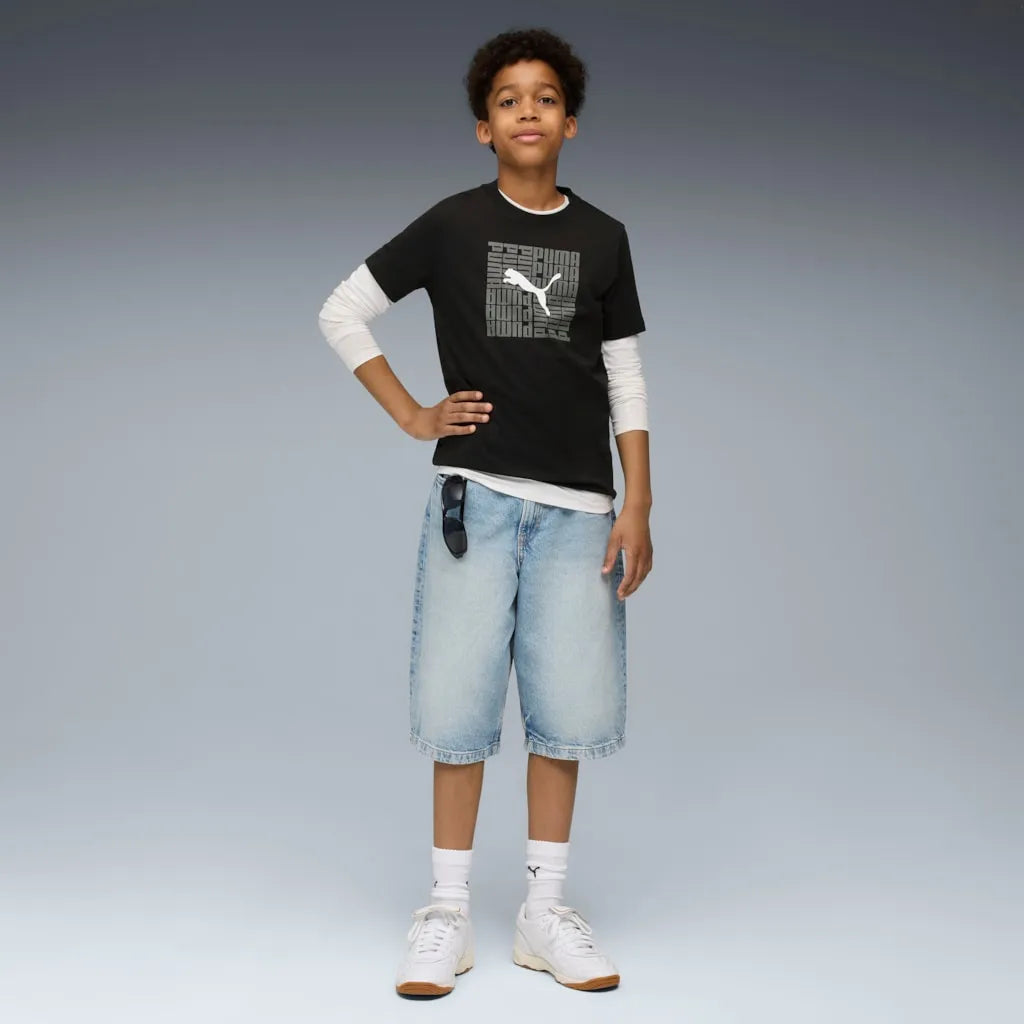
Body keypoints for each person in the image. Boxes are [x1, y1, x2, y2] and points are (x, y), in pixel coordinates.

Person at [317, 26, 653, 998]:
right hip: (476, 504)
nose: (527, 111)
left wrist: (637, 499)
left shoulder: (604, 238)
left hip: (581, 514)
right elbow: (342, 311)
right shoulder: (453, 226)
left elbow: (625, 376)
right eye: (507, 99)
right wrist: (413, 413)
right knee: (457, 709)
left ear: (570, 122)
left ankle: (545, 911)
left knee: (566, 712)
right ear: (482, 127)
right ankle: (447, 912)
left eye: (545, 97)